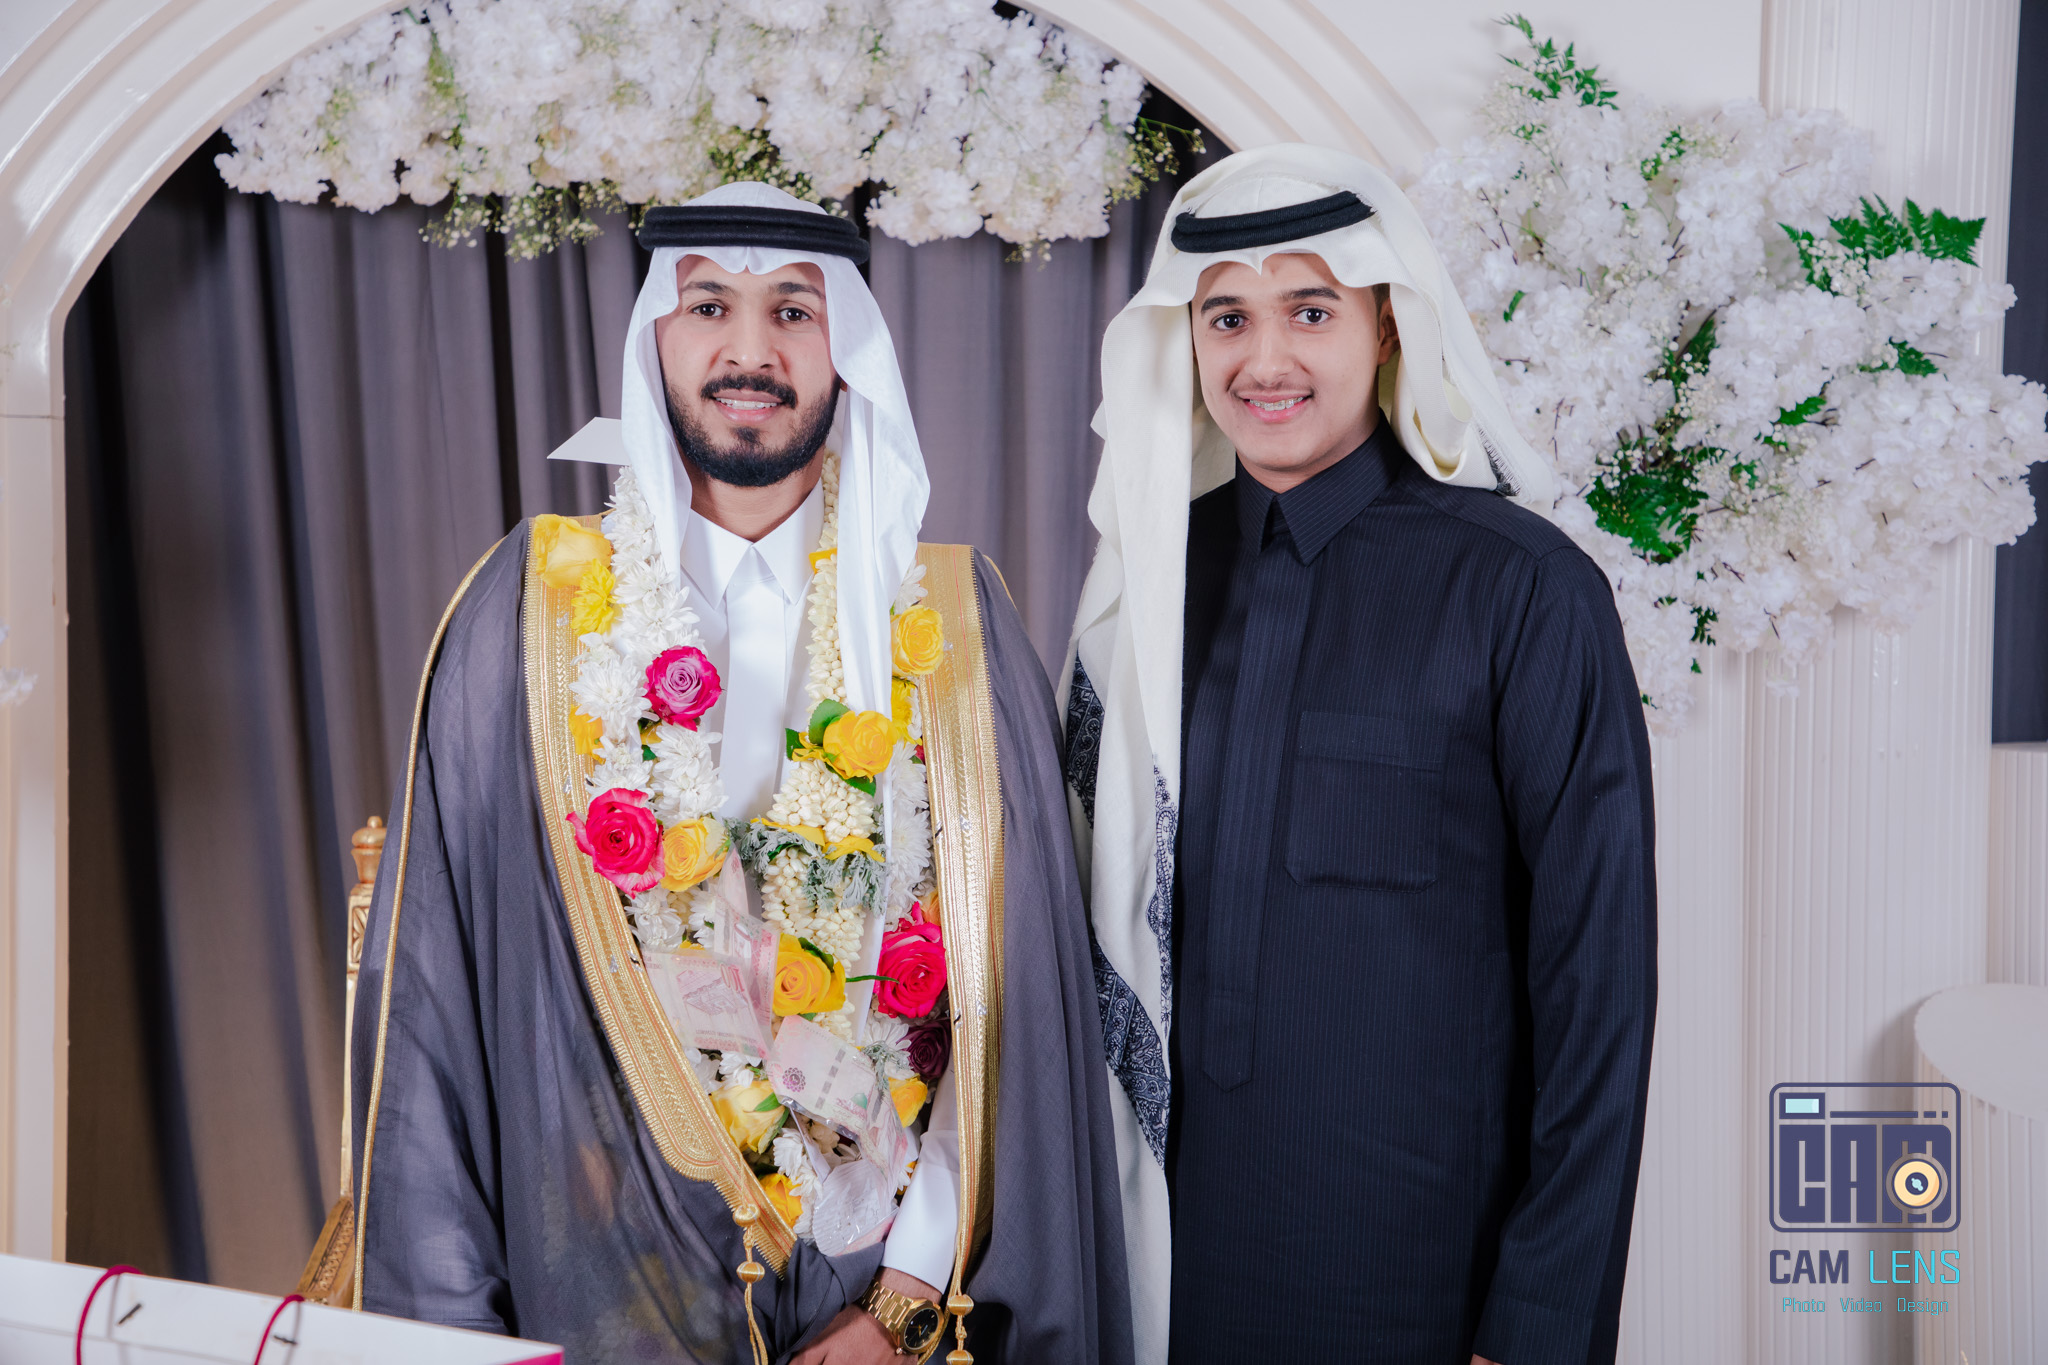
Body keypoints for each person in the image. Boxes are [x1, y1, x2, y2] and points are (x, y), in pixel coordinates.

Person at [350, 181, 1131, 1365]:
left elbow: (1015, 1016)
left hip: (882, 1303)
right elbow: (436, 1010)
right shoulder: (530, 613)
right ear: (654, 339)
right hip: (600, 1295)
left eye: (793, 312)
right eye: (709, 304)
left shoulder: (953, 629)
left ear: (845, 348)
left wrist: (903, 1302)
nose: (750, 351)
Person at [1062, 144, 1657, 1364]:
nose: (1263, 360)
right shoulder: (1145, 595)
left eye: (1310, 311)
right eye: (1226, 317)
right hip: (1165, 1268)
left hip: (1424, 1280)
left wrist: (1536, 1321)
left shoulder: (1521, 588)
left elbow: (1597, 985)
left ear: (1385, 326)